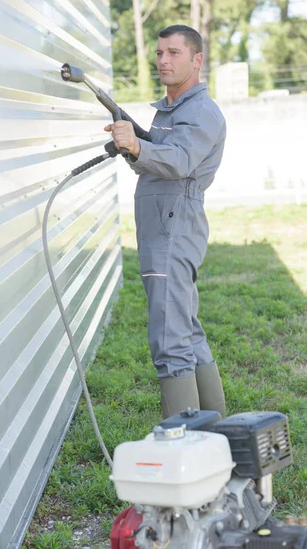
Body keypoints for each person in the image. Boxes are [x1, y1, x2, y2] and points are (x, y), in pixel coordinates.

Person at [105, 24, 226, 419]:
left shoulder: (201, 112)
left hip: (175, 228)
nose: (163, 60)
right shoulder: (171, 111)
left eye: (174, 53)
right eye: (159, 53)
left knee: (169, 338)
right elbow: (162, 152)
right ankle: (216, 432)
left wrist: (138, 144)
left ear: (197, 60)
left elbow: (177, 160)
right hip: (164, 225)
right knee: (187, 331)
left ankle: (187, 451)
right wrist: (134, 136)